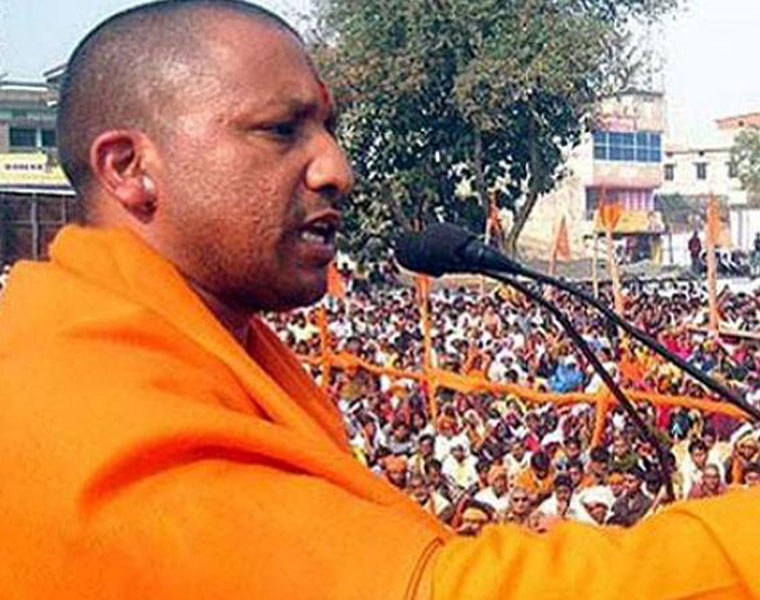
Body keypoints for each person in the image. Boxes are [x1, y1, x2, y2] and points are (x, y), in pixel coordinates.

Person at [3, 2, 760, 599]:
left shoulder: (190, 338)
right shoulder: (76, 389)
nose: (337, 168)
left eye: (328, 127)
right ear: (130, 167)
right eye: (280, 130)